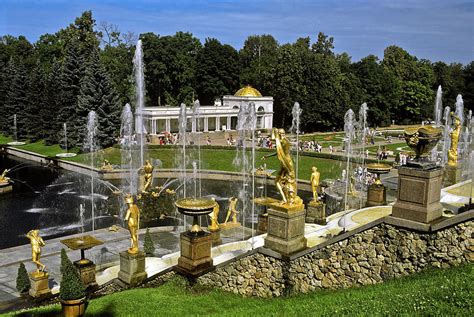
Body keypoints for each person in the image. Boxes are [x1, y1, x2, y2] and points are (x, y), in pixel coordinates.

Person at [261, 128, 302, 205]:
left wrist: (274, 131)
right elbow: (279, 152)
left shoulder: (283, 141)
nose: (280, 135)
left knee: (279, 181)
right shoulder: (286, 140)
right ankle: (287, 198)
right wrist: (267, 156)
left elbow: (273, 139)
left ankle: (286, 199)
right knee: (284, 180)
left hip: (285, 162)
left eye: (280, 134)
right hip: (287, 162)